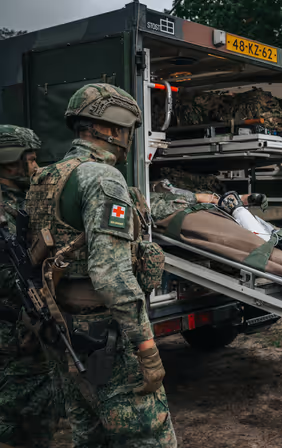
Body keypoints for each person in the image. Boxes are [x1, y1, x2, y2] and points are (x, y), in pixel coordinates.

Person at [26, 83, 177, 447]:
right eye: (127, 130)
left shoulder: (48, 177)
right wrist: (147, 348)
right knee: (150, 437)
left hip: (67, 332)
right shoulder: (102, 178)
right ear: (112, 128)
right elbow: (111, 273)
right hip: (107, 336)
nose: (128, 139)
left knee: (89, 436)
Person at [0, 125, 61, 447]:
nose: (36, 168)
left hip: (30, 332)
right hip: (8, 332)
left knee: (39, 414)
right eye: (31, 160)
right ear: (10, 162)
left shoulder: (27, 198)